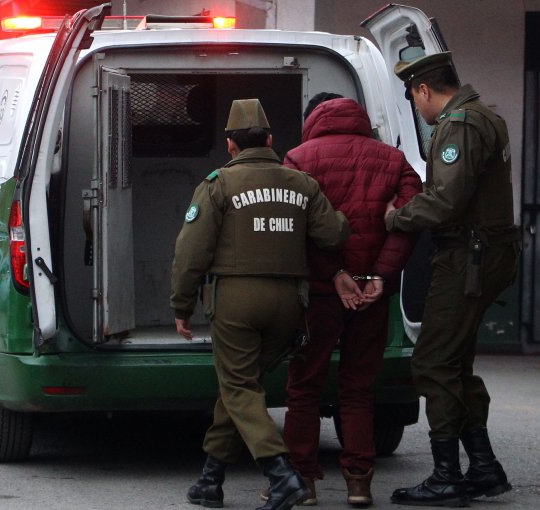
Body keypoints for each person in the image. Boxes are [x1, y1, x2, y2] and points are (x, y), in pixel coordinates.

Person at [171, 98, 350, 510]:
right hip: (291, 303)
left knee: (238, 387)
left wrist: (182, 305)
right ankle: (210, 480)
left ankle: (281, 474)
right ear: (270, 139)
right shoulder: (301, 183)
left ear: (231, 145)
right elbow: (334, 235)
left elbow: (190, 253)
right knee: (241, 388)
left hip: (237, 301)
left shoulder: (218, 184)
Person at [383, 52, 520, 507]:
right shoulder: (484, 116)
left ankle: (447, 475)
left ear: (424, 89)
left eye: (413, 97)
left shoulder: (459, 124)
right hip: (484, 255)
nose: (417, 108)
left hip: (468, 258)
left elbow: (446, 202)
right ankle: (483, 467)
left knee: (433, 363)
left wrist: (396, 217)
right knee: (456, 364)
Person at [277, 93, 422, 507]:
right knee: (358, 389)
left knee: (304, 387)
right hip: (372, 294)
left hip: (322, 293)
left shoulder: (299, 158)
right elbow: (410, 221)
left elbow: (297, 227)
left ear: (314, 121)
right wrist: (379, 275)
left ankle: (303, 481)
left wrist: (335, 274)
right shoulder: (393, 160)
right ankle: (359, 482)